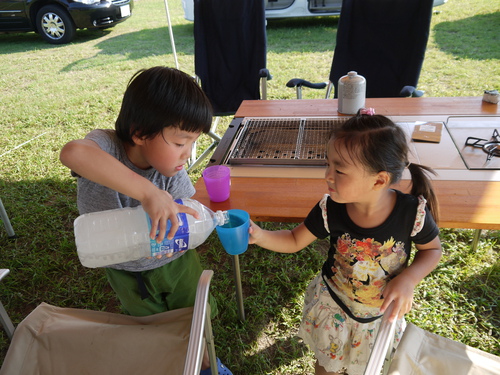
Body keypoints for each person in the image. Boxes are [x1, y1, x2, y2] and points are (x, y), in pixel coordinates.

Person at [60, 66, 232, 375]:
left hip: (178, 265)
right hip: (130, 274)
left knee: (196, 317)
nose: (188, 154)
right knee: (151, 330)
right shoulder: (106, 146)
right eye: (180, 143)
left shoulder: (170, 169)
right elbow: (73, 153)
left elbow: (185, 207)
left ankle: (206, 363)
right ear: (140, 133)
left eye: (193, 143)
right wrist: (148, 193)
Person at [248, 109, 442, 375]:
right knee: (326, 369)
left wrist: (409, 279)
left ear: (379, 180)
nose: (328, 175)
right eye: (328, 164)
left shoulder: (412, 214)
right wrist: (260, 236)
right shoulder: (331, 209)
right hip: (334, 308)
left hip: (378, 318)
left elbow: (432, 250)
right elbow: (294, 239)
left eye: (339, 170)